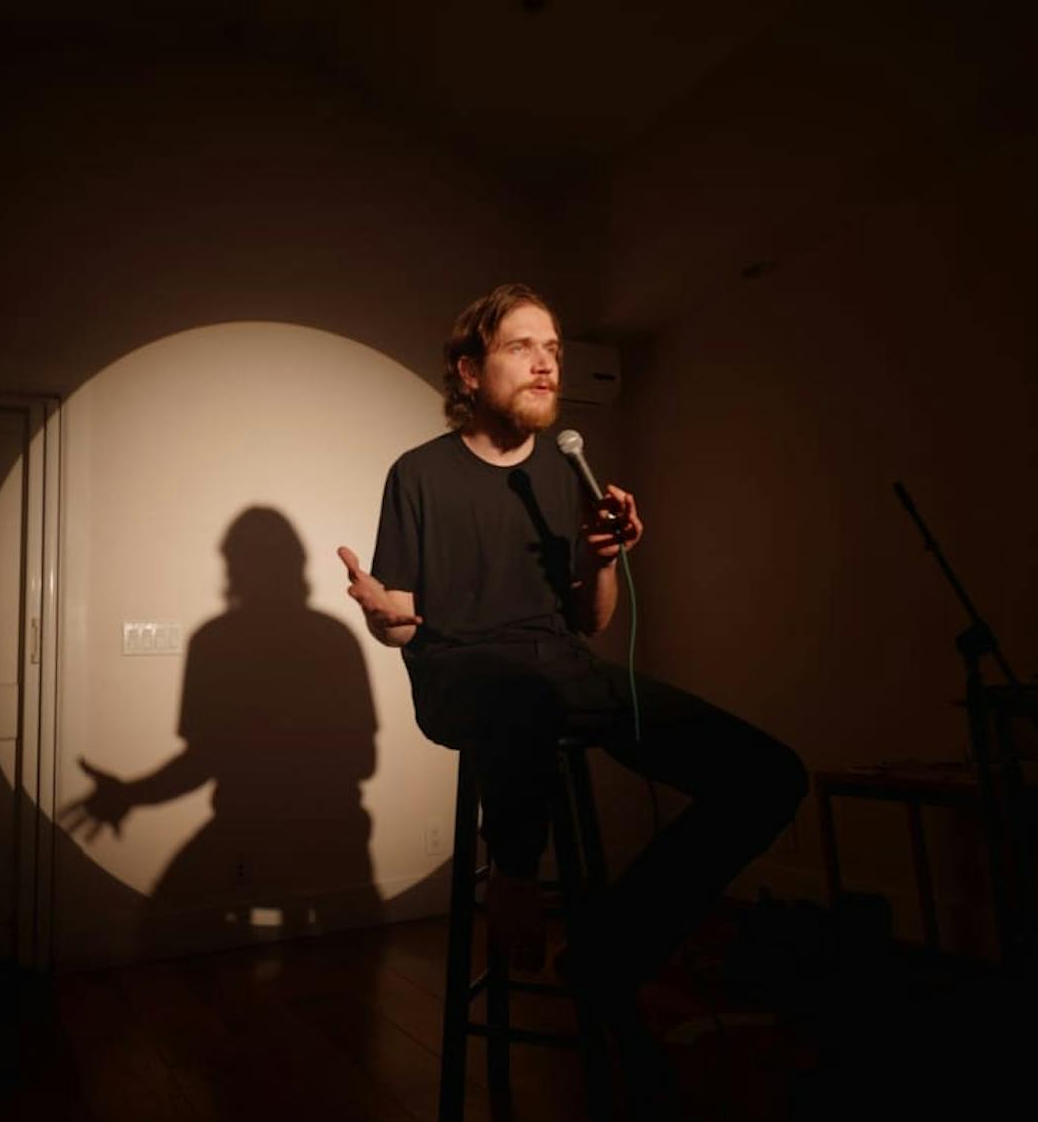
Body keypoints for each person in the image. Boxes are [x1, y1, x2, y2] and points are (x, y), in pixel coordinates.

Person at [337, 283, 806, 1115]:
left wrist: (599, 559)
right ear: (468, 370)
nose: (547, 361)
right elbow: (405, 625)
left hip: (560, 670)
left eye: (551, 347)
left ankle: (609, 951)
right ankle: (514, 873)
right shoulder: (418, 473)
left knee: (768, 775)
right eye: (522, 346)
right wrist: (385, 616)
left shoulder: (563, 473)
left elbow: (588, 625)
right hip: (460, 673)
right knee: (517, 694)